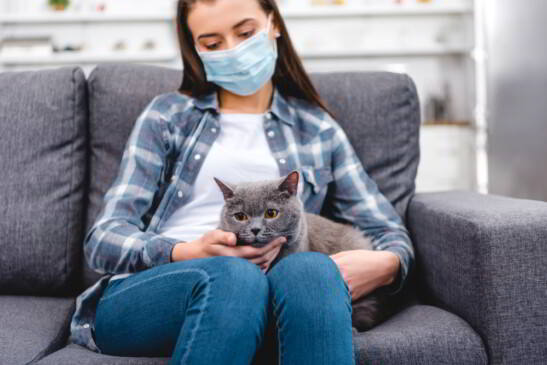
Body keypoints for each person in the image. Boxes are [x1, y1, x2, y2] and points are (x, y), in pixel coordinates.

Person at [67, 0, 415, 364]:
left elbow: (384, 227)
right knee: (236, 276)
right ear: (196, 49)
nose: (233, 50)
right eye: (213, 44)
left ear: (274, 23)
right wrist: (186, 251)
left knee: (311, 269)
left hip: (278, 294)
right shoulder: (167, 116)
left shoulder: (318, 130)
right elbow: (103, 239)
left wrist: (389, 264)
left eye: (246, 33)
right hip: (163, 290)